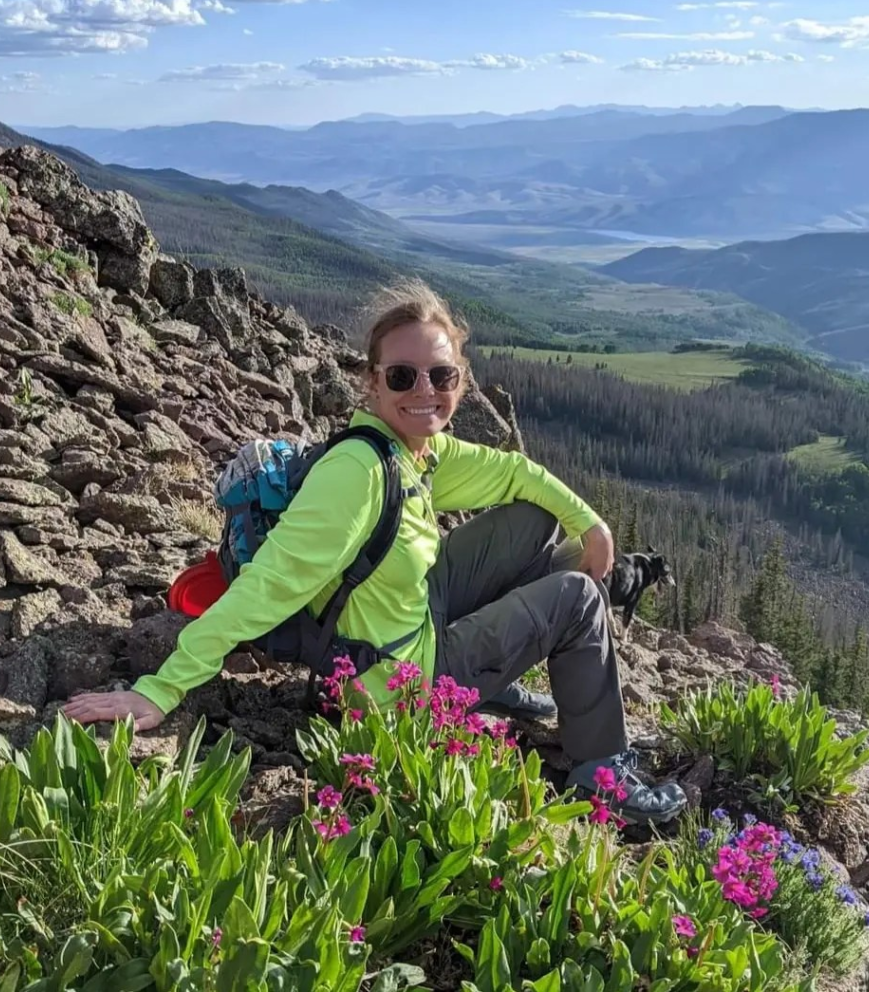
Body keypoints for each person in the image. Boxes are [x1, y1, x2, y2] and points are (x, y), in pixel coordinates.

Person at [64, 280, 686, 824]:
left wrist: (593, 526)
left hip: (411, 617)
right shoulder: (358, 473)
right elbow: (270, 583)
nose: (424, 389)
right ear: (371, 383)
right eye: (401, 376)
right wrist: (162, 689)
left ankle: (497, 687)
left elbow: (515, 472)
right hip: (395, 679)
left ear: (460, 382)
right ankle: (605, 778)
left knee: (532, 524)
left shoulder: (414, 450)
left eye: (441, 376)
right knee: (577, 598)